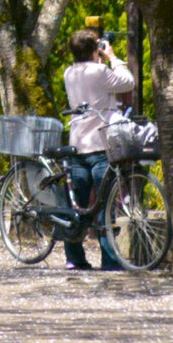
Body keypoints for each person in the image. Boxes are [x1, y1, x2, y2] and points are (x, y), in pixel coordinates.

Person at [60, 28, 137, 271]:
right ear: (95, 49)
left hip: (78, 145)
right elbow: (128, 82)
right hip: (101, 146)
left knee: (80, 206)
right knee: (105, 207)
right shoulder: (100, 70)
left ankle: (74, 258)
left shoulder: (69, 73)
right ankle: (110, 260)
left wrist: (97, 54)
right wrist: (112, 57)